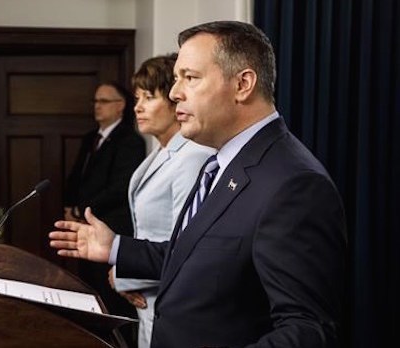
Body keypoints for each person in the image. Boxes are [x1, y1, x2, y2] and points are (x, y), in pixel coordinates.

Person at [50, 21, 346, 347]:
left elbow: (307, 330)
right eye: (177, 79)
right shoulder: (219, 161)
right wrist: (116, 247)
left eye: (190, 78)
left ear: (243, 84)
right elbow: (195, 253)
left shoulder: (295, 184)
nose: (176, 93)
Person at [108, 54, 214, 348]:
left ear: (174, 101)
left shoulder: (193, 157)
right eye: (137, 97)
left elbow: (187, 248)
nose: (138, 107)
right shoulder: (160, 153)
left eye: (149, 97)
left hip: (175, 306)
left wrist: (125, 275)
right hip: (151, 300)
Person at [63, 82, 145, 344]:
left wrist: (81, 209)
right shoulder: (91, 137)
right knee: (89, 291)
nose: (97, 106)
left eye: (104, 101)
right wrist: (69, 206)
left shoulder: (130, 140)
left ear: (121, 106)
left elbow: (119, 187)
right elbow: (77, 176)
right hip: (84, 227)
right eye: (95, 101)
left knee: (111, 301)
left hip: (111, 227)